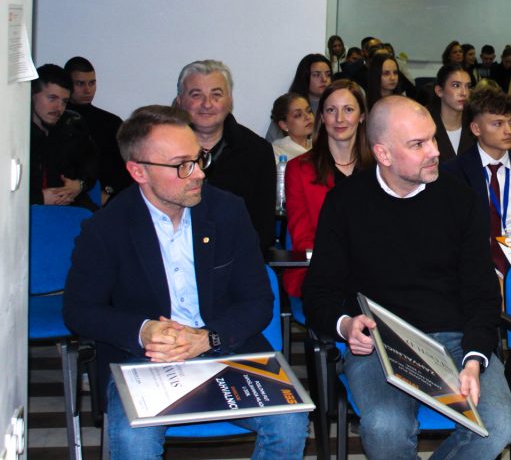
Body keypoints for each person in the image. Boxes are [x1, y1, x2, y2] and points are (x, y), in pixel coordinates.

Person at [62, 105, 309, 459]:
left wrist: (208, 337)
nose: (199, 174)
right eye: (182, 165)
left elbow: (257, 301)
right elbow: (79, 310)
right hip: (144, 358)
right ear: (138, 171)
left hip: (224, 348)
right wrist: (143, 330)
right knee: (134, 444)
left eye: (199, 159)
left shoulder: (227, 212)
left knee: (290, 422)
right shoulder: (106, 228)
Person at [302, 96, 511, 459]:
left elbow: (483, 294)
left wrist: (474, 358)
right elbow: (318, 291)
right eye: (418, 144)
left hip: (455, 340)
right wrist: (345, 325)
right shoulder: (345, 202)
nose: (434, 151)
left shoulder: (460, 199)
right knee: (385, 428)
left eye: (432, 138)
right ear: (383, 154)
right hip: (380, 342)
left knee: (498, 426)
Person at [443, 88, 511, 278]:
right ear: (476, 129)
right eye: (498, 124)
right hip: (473, 267)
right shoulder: (453, 174)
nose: (509, 130)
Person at [283, 80, 373, 297]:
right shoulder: (298, 169)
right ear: (322, 117)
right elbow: (302, 236)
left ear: (361, 116)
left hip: (374, 270)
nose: (339, 119)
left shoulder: (381, 167)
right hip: (321, 269)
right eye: (331, 110)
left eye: (348, 110)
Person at [176, 60, 276, 252]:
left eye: (216, 95)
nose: (207, 104)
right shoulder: (162, 152)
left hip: (235, 257)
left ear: (230, 100)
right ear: (180, 101)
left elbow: (262, 229)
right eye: (196, 95)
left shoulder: (257, 151)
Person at [30, 64, 99, 210]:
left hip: (73, 205)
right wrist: (40, 198)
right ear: (32, 94)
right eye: (52, 98)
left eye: (64, 101)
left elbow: (92, 165)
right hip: (27, 210)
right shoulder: (14, 133)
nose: (59, 108)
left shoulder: (73, 125)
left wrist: (79, 184)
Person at [64, 56, 130, 201]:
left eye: (92, 83)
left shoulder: (111, 122)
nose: (87, 90)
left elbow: (129, 164)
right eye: (80, 83)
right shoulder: (55, 120)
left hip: (106, 199)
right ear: (67, 84)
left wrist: (108, 190)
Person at [267, 53, 331, 141]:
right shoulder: (289, 106)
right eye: (316, 75)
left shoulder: (337, 105)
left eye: (328, 74)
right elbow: (272, 143)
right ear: (304, 77)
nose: (324, 79)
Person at [430, 64, 475, 162]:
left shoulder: (476, 124)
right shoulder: (425, 125)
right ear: (439, 91)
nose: (464, 93)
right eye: (456, 85)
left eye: (468, 86)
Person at [269, 92, 313, 162]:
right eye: (298, 115)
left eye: (309, 111)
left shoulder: (321, 144)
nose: (308, 117)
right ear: (284, 125)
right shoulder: (276, 152)